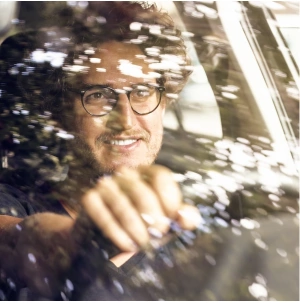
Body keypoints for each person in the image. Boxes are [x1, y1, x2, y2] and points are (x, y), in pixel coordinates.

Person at [0, 2, 201, 300]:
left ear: (165, 101)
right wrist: (76, 242)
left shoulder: (196, 226)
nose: (126, 121)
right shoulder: (15, 201)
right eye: (98, 96)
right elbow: (16, 237)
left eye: (143, 92)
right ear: (61, 112)